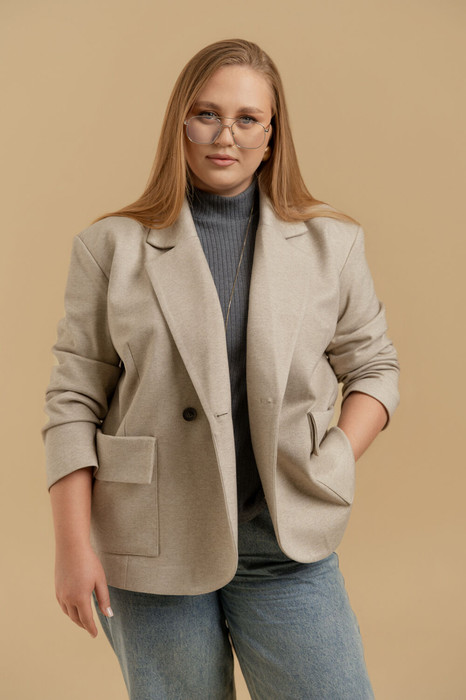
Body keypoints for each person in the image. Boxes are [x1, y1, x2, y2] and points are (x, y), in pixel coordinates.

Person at [42, 38, 400, 700]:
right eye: (206, 114)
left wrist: (334, 459)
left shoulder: (333, 244)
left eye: (246, 118)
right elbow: (73, 398)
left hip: (282, 535)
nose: (224, 135)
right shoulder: (109, 247)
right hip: (152, 539)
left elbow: (374, 367)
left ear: (272, 133)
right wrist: (71, 547)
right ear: (179, 122)